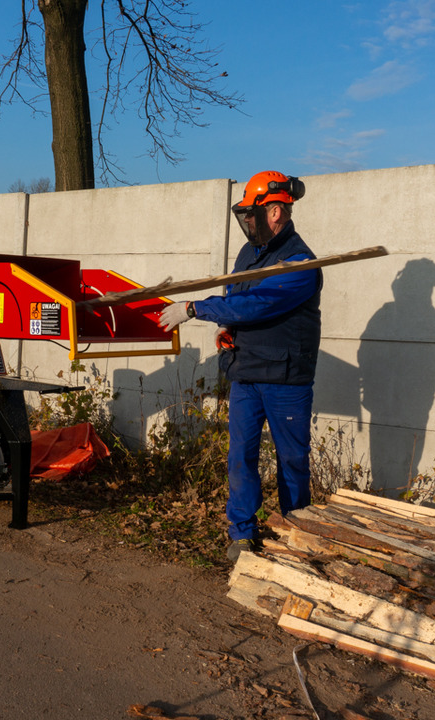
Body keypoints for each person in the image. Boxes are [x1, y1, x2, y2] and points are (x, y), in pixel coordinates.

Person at [158, 171, 322, 562]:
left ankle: (295, 533)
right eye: (245, 214)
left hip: (286, 379)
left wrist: (195, 309)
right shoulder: (250, 254)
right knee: (241, 457)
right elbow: (237, 297)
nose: (247, 221)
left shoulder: (300, 263)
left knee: (292, 462)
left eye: (252, 213)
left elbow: (258, 304)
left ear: (275, 212)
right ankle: (243, 533)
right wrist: (226, 327)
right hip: (247, 373)